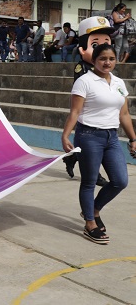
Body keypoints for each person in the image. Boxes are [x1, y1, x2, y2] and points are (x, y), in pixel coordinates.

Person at [61, 43, 136, 244]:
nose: (107, 62)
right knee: (89, 181)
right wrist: (66, 136)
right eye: (102, 59)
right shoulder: (84, 81)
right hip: (88, 136)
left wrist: (133, 138)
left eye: (111, 59)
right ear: (94, 60)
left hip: (111, 138)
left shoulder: (119, 82)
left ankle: (93, 209)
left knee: (120, 181)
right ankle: (89, 223)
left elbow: (124, 114)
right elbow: (75, 112)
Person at [62, 16, 114, 186]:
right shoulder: (82, 68)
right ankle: (94, 174)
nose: (102, 51)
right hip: (87, 110)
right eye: (95, 45)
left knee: (92, 145)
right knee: (92, 144)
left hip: (102, 113)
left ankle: (73, 158)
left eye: (107, 44)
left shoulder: (106, 68)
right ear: (83, 50)